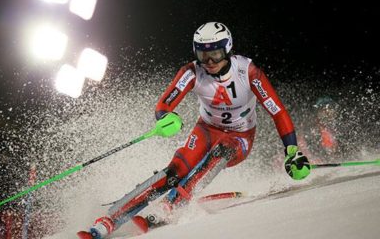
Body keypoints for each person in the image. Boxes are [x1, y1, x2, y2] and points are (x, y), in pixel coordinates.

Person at [78, 22, 311, 239]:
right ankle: (109, 220)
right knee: (174, 172)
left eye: (215, 54)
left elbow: (277, 111)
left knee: (221, 153)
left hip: (240, 137)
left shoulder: (247, 72)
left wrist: (291, 150)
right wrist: (165, 117)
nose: (209, 62)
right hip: (206, 130)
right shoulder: (192, 72)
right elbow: (164, 104)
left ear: (227, 50)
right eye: (202, 54)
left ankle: (172, 205)